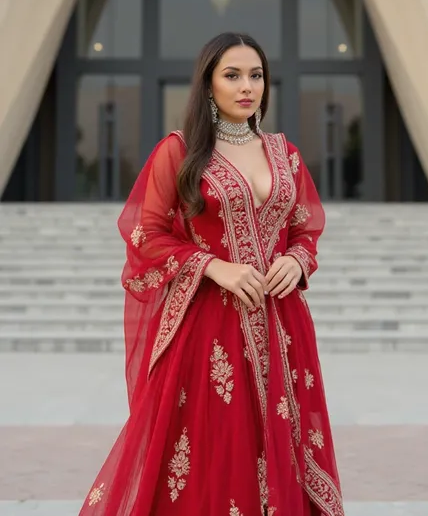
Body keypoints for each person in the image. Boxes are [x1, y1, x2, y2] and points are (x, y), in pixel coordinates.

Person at [79, 32, 344, 516]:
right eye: (233, 75)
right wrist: (212, 265)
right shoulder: (180, 152)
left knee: (284, 448)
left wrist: (297, 260)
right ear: (208, 86)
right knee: (215, 455)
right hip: (211, 333)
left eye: (256, 75)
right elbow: (145, 234)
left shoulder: (284, 153)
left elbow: (306, 229)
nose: (248, 86)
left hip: (284, 330)